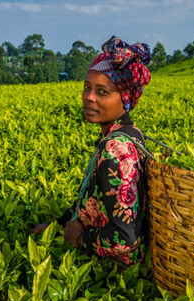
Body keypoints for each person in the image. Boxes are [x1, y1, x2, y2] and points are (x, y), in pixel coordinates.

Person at [31, 36, 152, 266]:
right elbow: (92, 200)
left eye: (102, 92)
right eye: (87, 87)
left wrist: (79, 239)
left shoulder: (116, 149)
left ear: (125, 100)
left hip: (113, 273)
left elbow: (125, 241)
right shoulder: (128, 133)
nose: (89, 97)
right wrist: (56, 226)